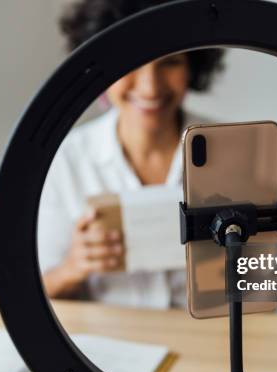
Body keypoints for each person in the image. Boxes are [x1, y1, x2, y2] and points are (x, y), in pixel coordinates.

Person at [37, 0, 224, 308]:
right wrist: (75, 265)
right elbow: (41, 293)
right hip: (113, 345)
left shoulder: (233, 150)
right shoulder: (66, 160)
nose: (150, 88)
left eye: (170, 62)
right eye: (129, 64)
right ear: (99, 70)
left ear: (193, 66)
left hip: (212, 339)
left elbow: (268, 283)